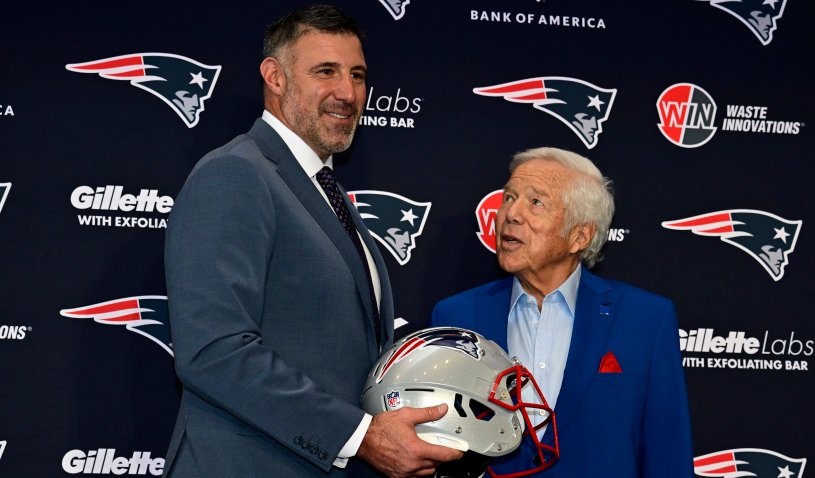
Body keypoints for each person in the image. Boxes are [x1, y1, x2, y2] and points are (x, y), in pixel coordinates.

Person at [162, 5, 462, 478]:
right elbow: (213, 351)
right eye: (326, 71)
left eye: (358, 75)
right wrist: (361, 436)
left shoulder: (326, 192)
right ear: (274, 77)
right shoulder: (236, 174)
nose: (348, 93)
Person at [431, 147, 693, 477]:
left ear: (579, 236)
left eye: (535, 202)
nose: (512, 213)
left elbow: (668, 456)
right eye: (509, 197)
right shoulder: (456, 316)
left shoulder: (646, 320)